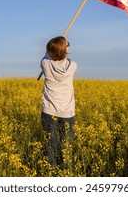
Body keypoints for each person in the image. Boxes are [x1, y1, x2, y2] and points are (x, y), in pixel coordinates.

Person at [40, 36, 77, 167]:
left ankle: (50, 171)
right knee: (66, 145)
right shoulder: (72, 66)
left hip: (49, 111)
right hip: (67, 112)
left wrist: (52, 48)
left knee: (51, 144)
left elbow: (46, 56)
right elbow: (61, 57)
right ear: (64, 50)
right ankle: (66, 171)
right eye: (67, 45)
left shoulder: (45, 63)